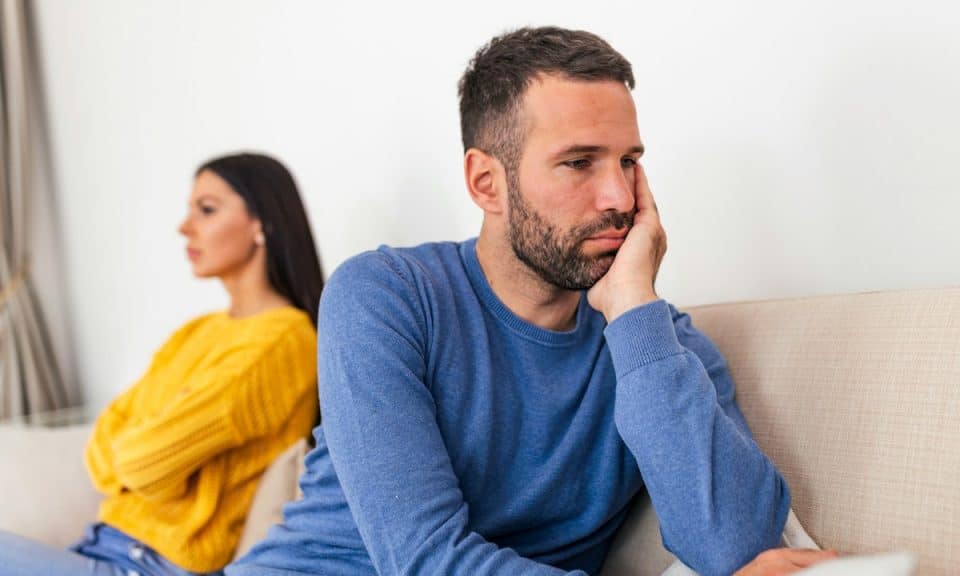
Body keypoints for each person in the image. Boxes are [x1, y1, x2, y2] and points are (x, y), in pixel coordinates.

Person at [230, 28, 836, 576]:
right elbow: (422, 561)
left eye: (629, 163)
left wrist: (632, 311)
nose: (618, 197)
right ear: (486, 183)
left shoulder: (656, 343)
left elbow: (739, 550)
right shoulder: (385, 295)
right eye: (579, 163)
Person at [0, 153, 324, 576]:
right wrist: (147, 449)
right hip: (98, 547)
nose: (184, 227)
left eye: (206, 210)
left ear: (260, 222)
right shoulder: (196, 333)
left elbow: (142, 464)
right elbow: (102, 444)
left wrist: (144, 446)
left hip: (150, 565)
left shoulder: (285, 340)